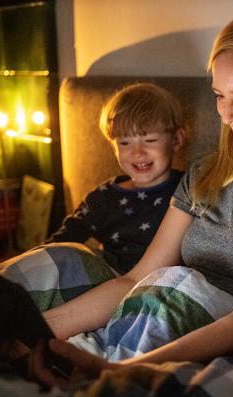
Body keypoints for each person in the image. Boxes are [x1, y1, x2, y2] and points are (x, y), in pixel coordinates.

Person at [28, 10, 233, 387]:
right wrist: (34, 334)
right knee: (56, 261)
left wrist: (120, 372)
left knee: (170, 293)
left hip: (232, 342)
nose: (226, 113)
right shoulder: (208, 172)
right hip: (156, 315)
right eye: (220, 96)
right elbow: (136, 279)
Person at [46, 82, 186, 274]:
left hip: (169, 285)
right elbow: (59, 244)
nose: (137, 152)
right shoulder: (103, 198)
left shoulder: (189, 188)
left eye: (150, 140)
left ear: (176, 140)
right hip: (112, 283)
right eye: (125, 142)